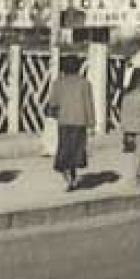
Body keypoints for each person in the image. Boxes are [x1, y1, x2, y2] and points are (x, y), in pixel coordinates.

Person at [47, 54, 95, 192]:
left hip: (64, 122)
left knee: (64, 151)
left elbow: (53, 103)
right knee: (75, 152)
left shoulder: (58, 83)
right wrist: (91, 124)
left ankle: (69, 179)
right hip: (80, 122)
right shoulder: (85, 83)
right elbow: (89, 105)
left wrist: (54, 115)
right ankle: (72, 178)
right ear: (78, 68)